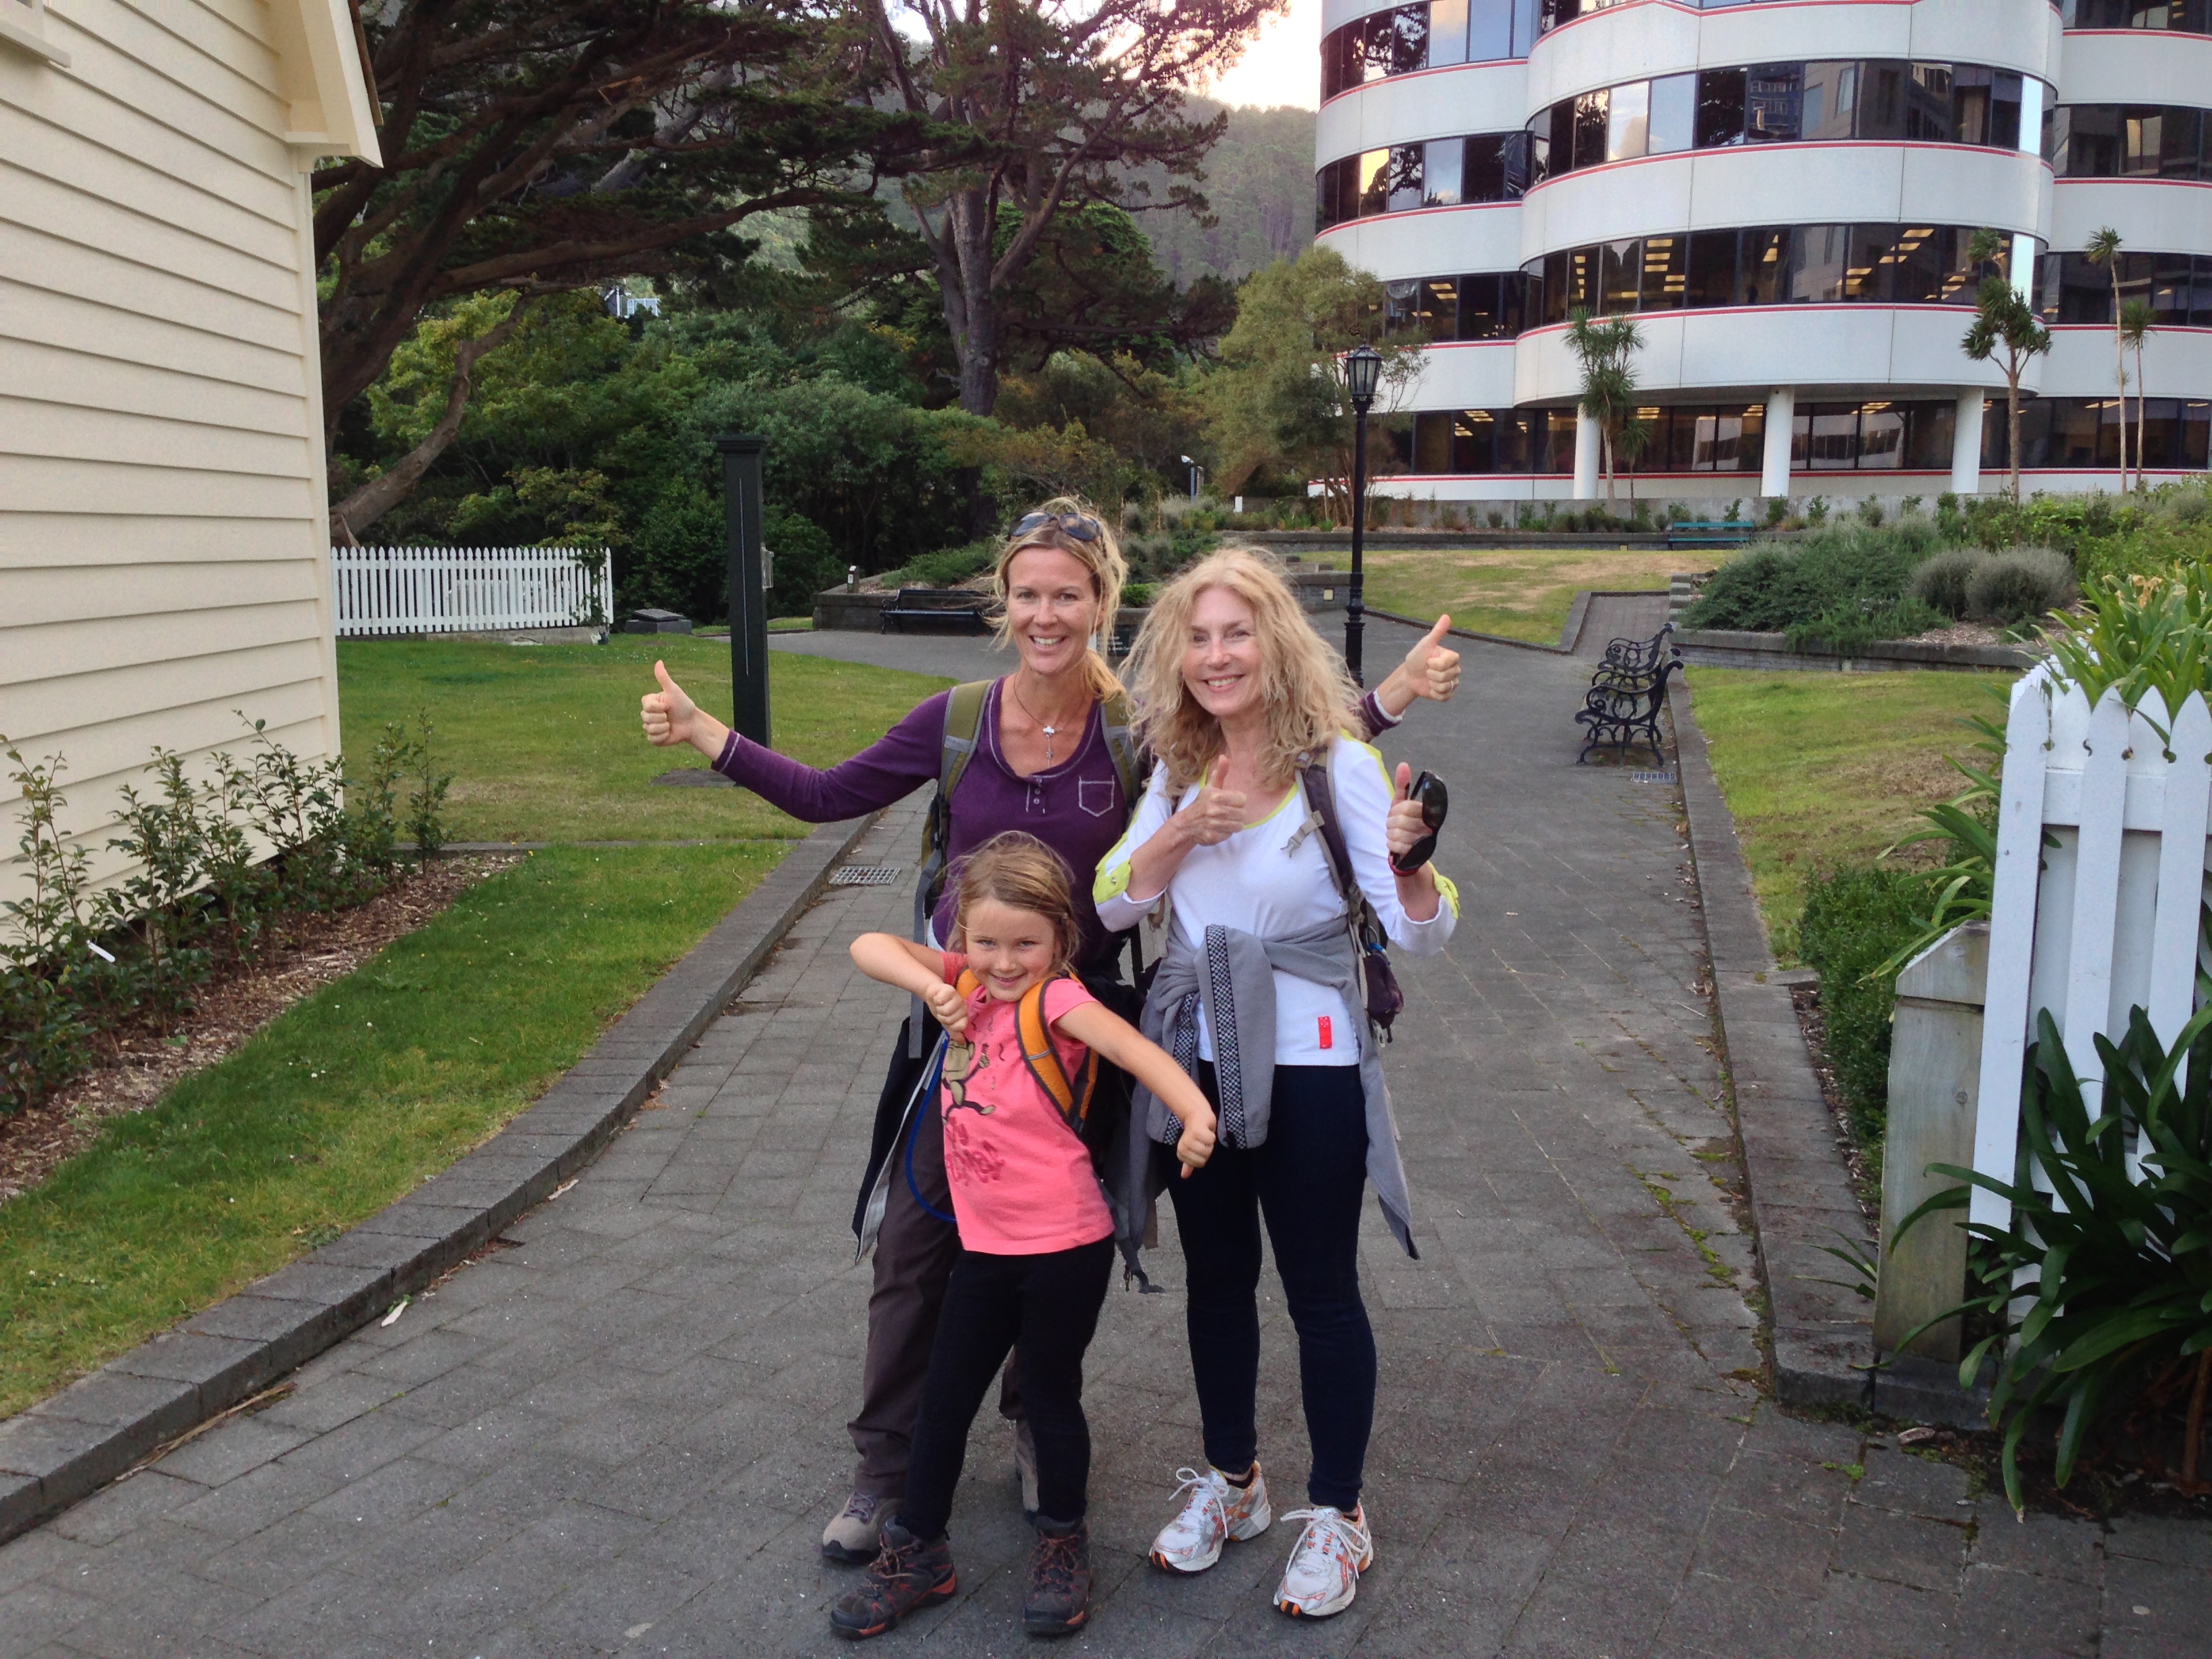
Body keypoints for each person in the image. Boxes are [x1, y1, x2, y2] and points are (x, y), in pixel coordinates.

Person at [640, 498, 1463, 1563]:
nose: (1046, 614)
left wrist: (1398, 761)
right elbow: (843, 797)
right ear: (1004, 601)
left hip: (1123, 1040)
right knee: (928, 1250)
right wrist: (707, 734)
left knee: (1084, 1250)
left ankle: (1093, 1444)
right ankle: (899, 1470)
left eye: (1067, 594)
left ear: (1102, 603)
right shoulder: (1000, 729)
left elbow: (1290, 745)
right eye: (1027, 594)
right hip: (997, 1033)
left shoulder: (1143, 732)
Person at [1094, 547, 1458, 1621]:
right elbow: (1112, 901)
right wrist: (1181, 830)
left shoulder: (1338, 766)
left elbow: (1421, 933)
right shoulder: (1175, 768)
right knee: (1216, 1282)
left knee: (1321, 1292)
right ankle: (1234, 1483)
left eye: (1237, 634)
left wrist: (1412, 863)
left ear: (1275, 644)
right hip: (1197, 1069)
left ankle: (1339, 1512)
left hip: (1312, 1066)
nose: (1218, 656)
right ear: (1178, 656)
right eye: (1199, 639)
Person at [829, 834, 1218, 1639]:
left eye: (1025, 945)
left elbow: (1136, 1051)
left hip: (1064, 1249)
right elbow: (867, 946)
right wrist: (931, 985)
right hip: (985, 1249)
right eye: (987, 943)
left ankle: (1063, 1544)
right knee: (944, 1398)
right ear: (963, 937)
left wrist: (1195, 1113)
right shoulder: (964, 980)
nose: (1004, 963)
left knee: (1048, 1395)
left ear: (1059, 939)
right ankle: (920, 1550)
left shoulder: (1059, 1003)